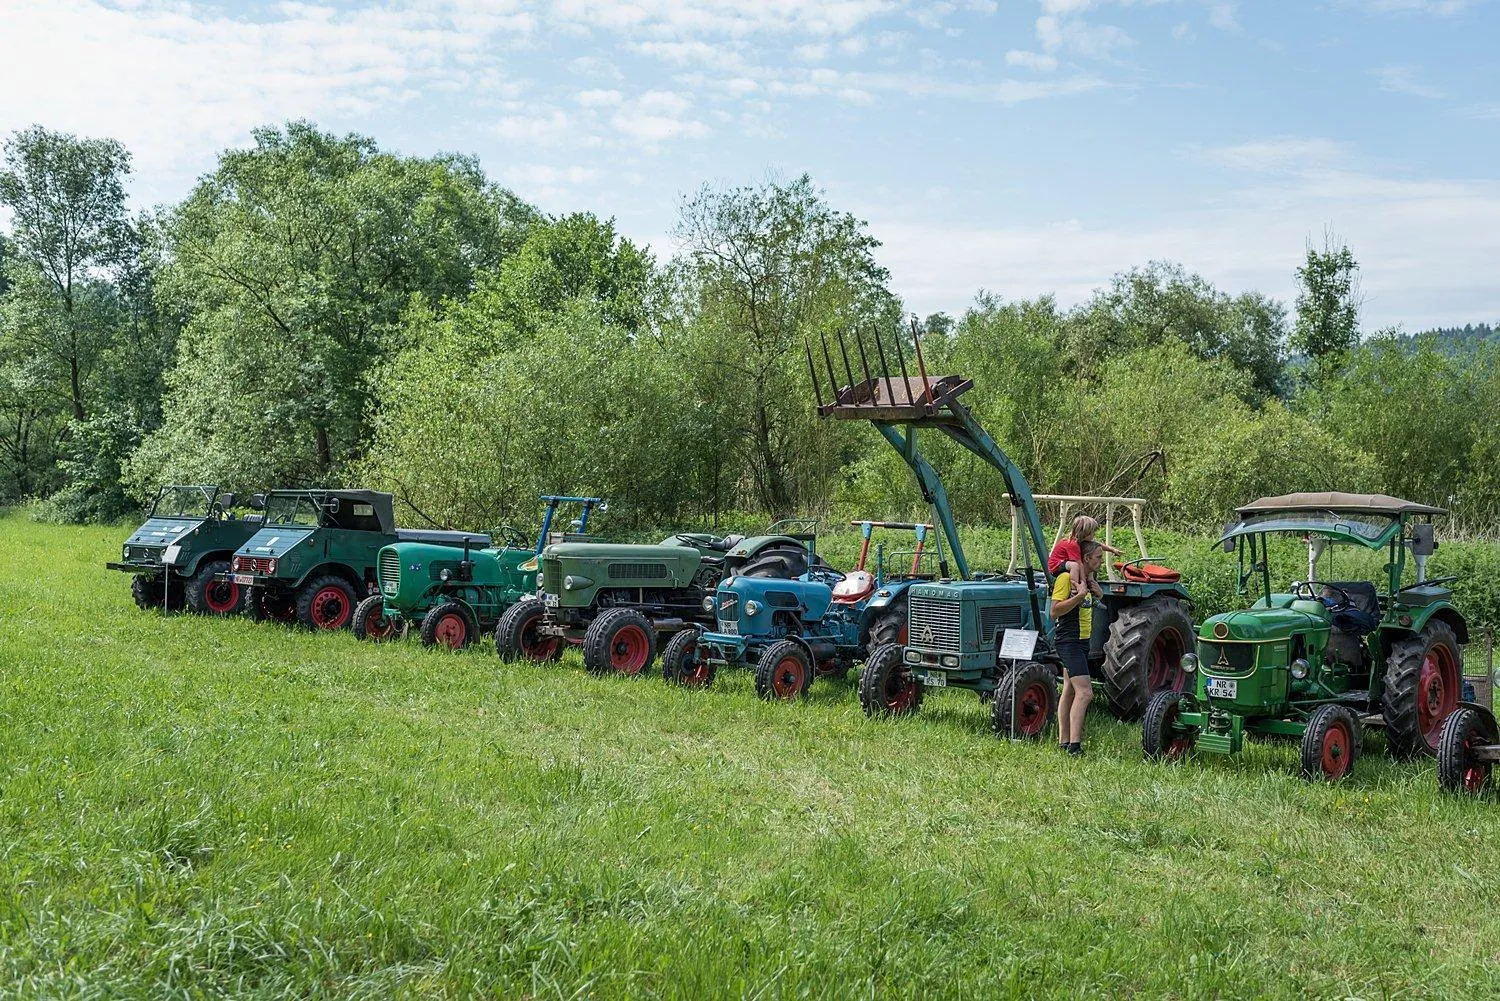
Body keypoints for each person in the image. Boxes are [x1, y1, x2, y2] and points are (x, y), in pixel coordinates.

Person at [1053, 540, 1104, 756]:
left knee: (1070, 689)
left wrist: (1098, 594)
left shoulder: (1087, 580)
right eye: (1098, 557)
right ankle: (1075, 746)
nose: (1101, 561)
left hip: (1082, 641)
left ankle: (1064, 741)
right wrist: (1079, 596)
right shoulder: (1066, 579)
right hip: (1069, 641)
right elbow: (1054, 611)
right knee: (1085, 693)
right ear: (1086, 558)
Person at [1048, 514, 1123, 589]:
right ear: (1085, 533)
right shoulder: (1072, 544)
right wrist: (1083, 581)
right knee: (1075, 565)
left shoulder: (1080, 540)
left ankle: (1091, 581)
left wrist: (1112, 550)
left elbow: (1098, 544)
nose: (1094, 534)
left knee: (1088, 563)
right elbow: (1079, 564)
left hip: (1066, 563)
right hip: (1056, 566)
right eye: (1093, 532)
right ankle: (1074, 587)